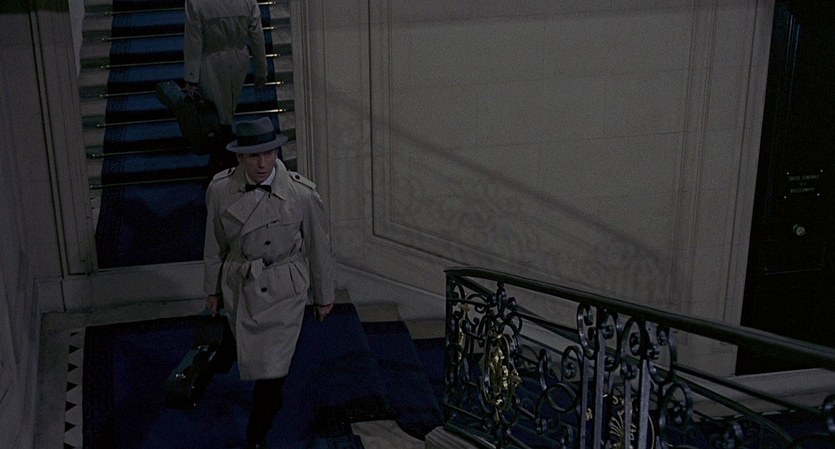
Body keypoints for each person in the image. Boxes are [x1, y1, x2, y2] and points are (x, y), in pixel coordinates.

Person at [203, 117, 334, 449]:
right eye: (253, 156)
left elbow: (319, 248)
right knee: (249, 349)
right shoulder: (220, 190)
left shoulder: (302, 194)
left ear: (277, 152)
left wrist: (324, 296)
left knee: (274, 370)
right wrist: (213, 289)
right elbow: (214, 245)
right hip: (241, 283)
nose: (262, 163)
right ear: (239, 156)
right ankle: (228, 358)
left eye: (269, 153)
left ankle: (256, 435)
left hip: (284, 287)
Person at [183, 0, 268, 170]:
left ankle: (224, 158)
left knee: (219, 113)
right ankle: (227, 156)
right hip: (239, 57)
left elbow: (194, 39)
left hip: (211, 59)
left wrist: (191, 78)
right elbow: (257, 35)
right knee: (227, 111)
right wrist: (261, 69)